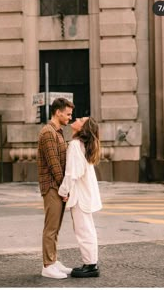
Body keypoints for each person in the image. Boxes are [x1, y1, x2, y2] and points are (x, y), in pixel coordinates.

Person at [58, 117, 102, 278]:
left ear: (83, 127)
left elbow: (72, 173)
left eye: (80, 120)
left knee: (84, 231)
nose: (76, 119)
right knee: (87, 230)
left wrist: (63, 191)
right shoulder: (82, 145)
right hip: (85, 195)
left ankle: (90, 265)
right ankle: (90, 263)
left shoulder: (76, 145)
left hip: (80, 197)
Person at [37, 97, 75, 279]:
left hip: (57, 186)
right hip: (52, 186)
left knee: (56, 227)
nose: (70, 117)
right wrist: (64, 189)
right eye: (67, 114)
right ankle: (48, 265)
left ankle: (53, 260)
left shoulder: (58, 132)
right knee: (51, 227)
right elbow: (54, 165)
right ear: (58, 112)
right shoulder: (48, 133)